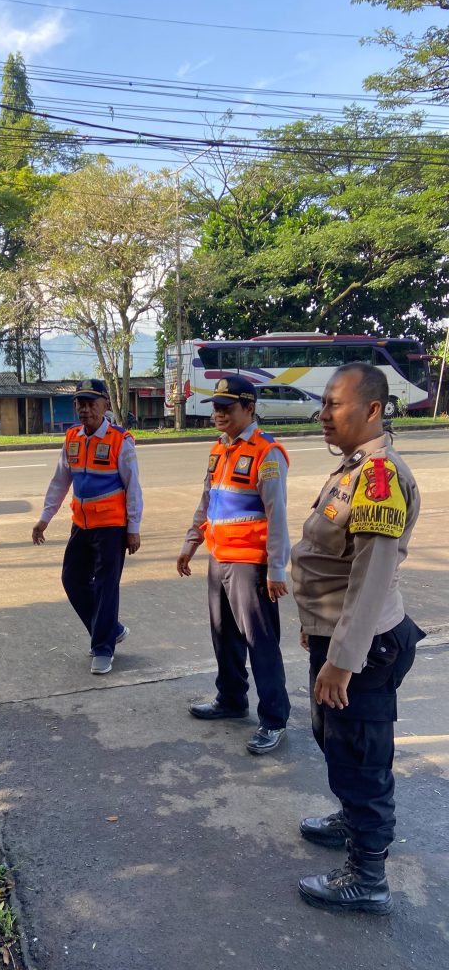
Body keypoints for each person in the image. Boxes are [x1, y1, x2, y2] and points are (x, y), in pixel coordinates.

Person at [291, 362, 424, 915]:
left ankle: (368, 874)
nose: (324, 415)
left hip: (364, 648)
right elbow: (331, 560)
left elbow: (369, 580)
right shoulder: (352, 469)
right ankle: (351, 814)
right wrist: (314, 625)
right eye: (322, 404)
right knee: (334, 738)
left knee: (363, 757)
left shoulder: (378, 477)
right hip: (338, 635)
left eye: (335, 405)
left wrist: (343, 660)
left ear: (372, 410)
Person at [177, 375, 291, 755]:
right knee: (223, 635)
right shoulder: (219, 451)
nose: (219, 414)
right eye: (216, 407)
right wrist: (190, 542)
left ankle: (274, 719)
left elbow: (277, 516)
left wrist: (277, 569)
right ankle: (231, 699)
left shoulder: (266, 453)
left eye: (228, 408)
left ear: (250, 408)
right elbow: (207, 501)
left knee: (260, 643)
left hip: (250, 566)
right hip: (219, 558)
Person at [32, 378, 143, 675]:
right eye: (80, 403)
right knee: (72, 579)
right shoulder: (72, 438)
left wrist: (133, 527)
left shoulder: (121, 440)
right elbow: (60, 482)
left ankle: (103, 648)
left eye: (91, 403)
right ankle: (112, 628)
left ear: (105, 404)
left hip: (111, 527)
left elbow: (133, 487)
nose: (85, 409)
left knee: (107, 587)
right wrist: (45, 518)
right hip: (81, 524)